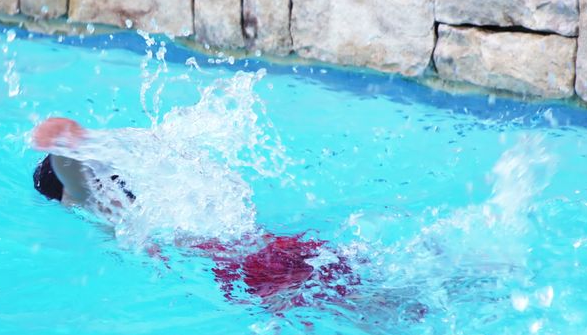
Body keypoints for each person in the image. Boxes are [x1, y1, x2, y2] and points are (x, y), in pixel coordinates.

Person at [30, 117, 362, 310]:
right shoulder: (155, 193)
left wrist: (62, 142)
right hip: (278, 244)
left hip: (244, 269)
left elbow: (71, 172)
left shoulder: (108, 207)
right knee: (369, 301)